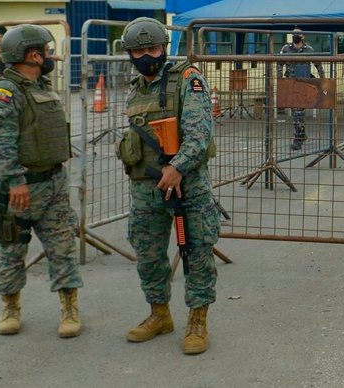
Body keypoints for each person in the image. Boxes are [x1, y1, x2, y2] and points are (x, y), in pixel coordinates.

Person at [117, 17, 219, 355]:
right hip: (146, 189)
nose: (147, 55)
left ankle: (198, 320)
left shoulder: (188, 80)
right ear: (129, 54)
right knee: (147, 255)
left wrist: (177, 168)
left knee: (197, 253)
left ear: (164, 47)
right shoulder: (135, 88)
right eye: (139, 50)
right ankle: (159, 314)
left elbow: (200, 133)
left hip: (186, 185)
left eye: (153, 48)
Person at [0, 24, 82, 338]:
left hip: (53, 184)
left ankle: (69, 308)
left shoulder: (41, 84)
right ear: (34, 55)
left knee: (63, 248)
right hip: (20, 190)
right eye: (47, 51)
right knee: (12, 250)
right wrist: (14, 181)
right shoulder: (6, 91)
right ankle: (10, 306)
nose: (51, 56)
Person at [277, 27, 325, 150]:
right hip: (291, 83)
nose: (295, 35)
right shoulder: (286, 49)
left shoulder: (309, 50)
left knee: (298, 112)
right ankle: (301, 134)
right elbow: (279, 64)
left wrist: (323, 81)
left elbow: (318, 65)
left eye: (298, 34)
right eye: (293, 34)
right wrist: (280, 80)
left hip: (304, 84)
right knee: (296, 113)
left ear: (303, 36)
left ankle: (298, 139)